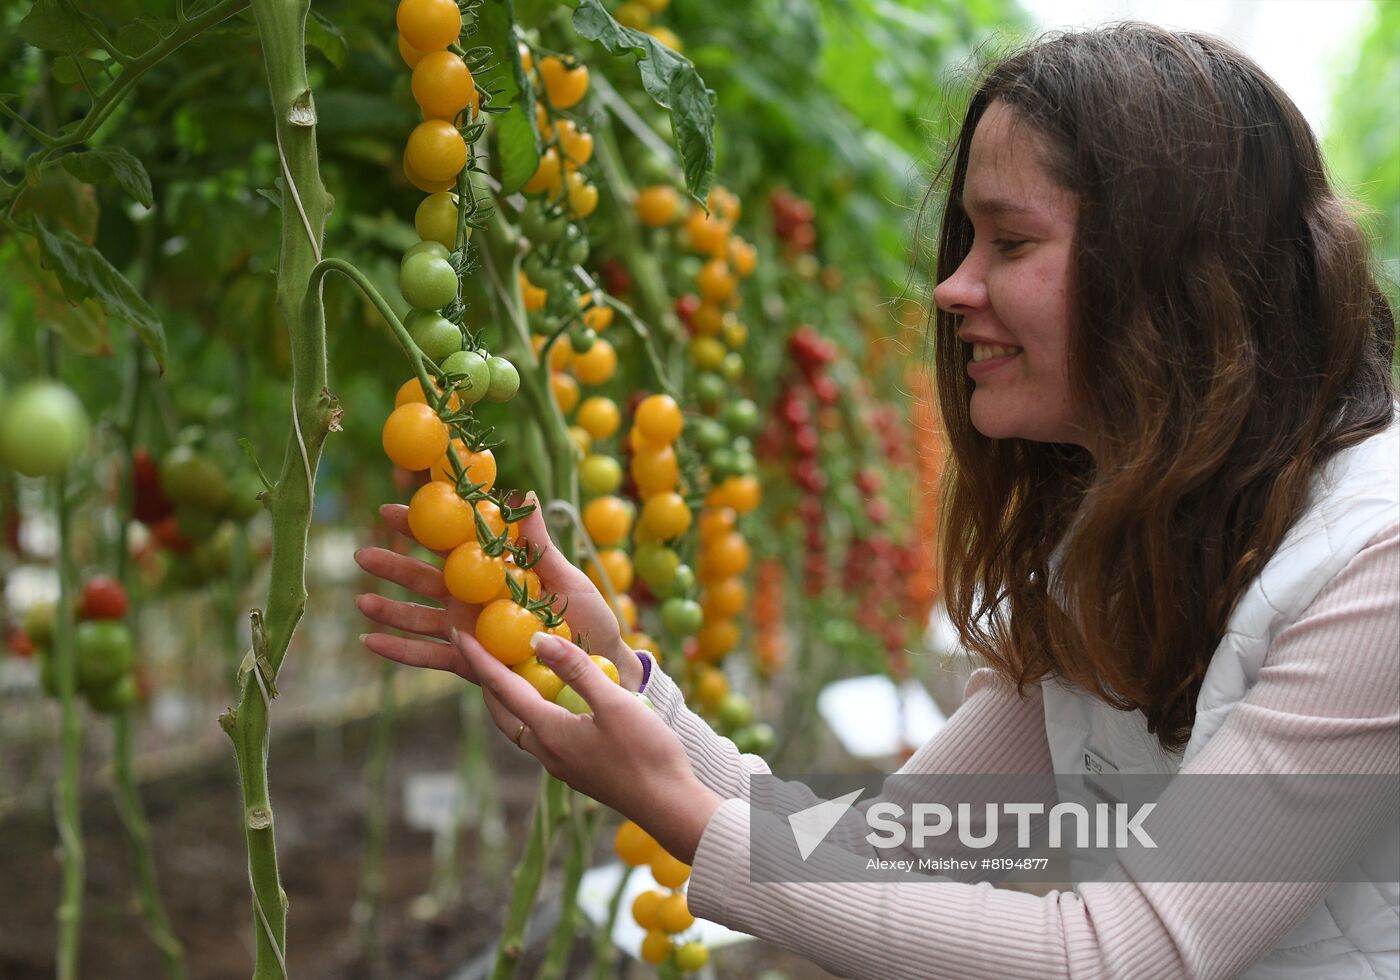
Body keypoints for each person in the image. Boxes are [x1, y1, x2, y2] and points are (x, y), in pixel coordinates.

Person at [355, 23, 1399, 978]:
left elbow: (1120, 955)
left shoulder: (1373, 562)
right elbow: (885, 842)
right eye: (965, 243)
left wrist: (671, 806)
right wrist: (612, 675)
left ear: (1167, 270)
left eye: (1010, 242)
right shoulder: (1122, 541)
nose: (950, 287)